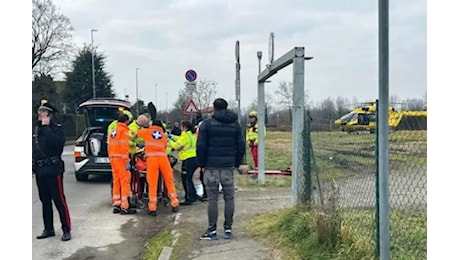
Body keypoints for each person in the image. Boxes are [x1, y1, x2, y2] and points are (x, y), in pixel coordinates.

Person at [196, 98, 245, 240]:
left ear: (213, 108)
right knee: (229, 198)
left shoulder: (207, 124)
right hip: (228, 166)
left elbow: (201, 146)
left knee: (213, 199)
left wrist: (202, 164)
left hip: (211, 166)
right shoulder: (235, 124)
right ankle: (228, 229)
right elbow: (241, 146)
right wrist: (235, 163)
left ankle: (212, 231)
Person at [33, 99, 72, 241]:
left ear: (50, 115)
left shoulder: (56, 129)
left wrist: (47, 128)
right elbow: (34, 148)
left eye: (43, 112)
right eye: (39, 112)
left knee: (59, 200)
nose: (40, 114)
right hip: (40, 170)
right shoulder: (36, 129)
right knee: (45, 201)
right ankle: (48, 228)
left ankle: (66, 229)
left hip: (53, 169)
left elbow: (57, 146)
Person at [138, 120, 180, 216]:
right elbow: (165, 147)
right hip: (163, 159)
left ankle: (152, 208)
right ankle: (174, 202)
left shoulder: (147, 132)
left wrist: (144, 125)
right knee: (169, 181)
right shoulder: (163, 135)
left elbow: (138, 132)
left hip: (152, 159)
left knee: (152, 183)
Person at [108, 113, 137, 214]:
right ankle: (125, 206)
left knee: (117, 181)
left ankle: (117, 204)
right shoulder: (124, 131)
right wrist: (127, 161)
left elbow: (110, 146)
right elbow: (124, 147)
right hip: (121, 159)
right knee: (125, 181)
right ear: (126, 121)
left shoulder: (113, 131)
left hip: (113, 159)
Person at [169, 120, 200, 205]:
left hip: (187, 159)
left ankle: (189, 198)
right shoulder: (191, 134)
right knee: (189, 178)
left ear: (184, 127)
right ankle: (193, 195)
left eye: (181, 126)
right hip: (195, 158)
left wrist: (168, 140)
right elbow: (179, 139)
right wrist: (171, 136)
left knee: (186, 179)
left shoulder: (185, 135)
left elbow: (177, 145)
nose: (180, 128)